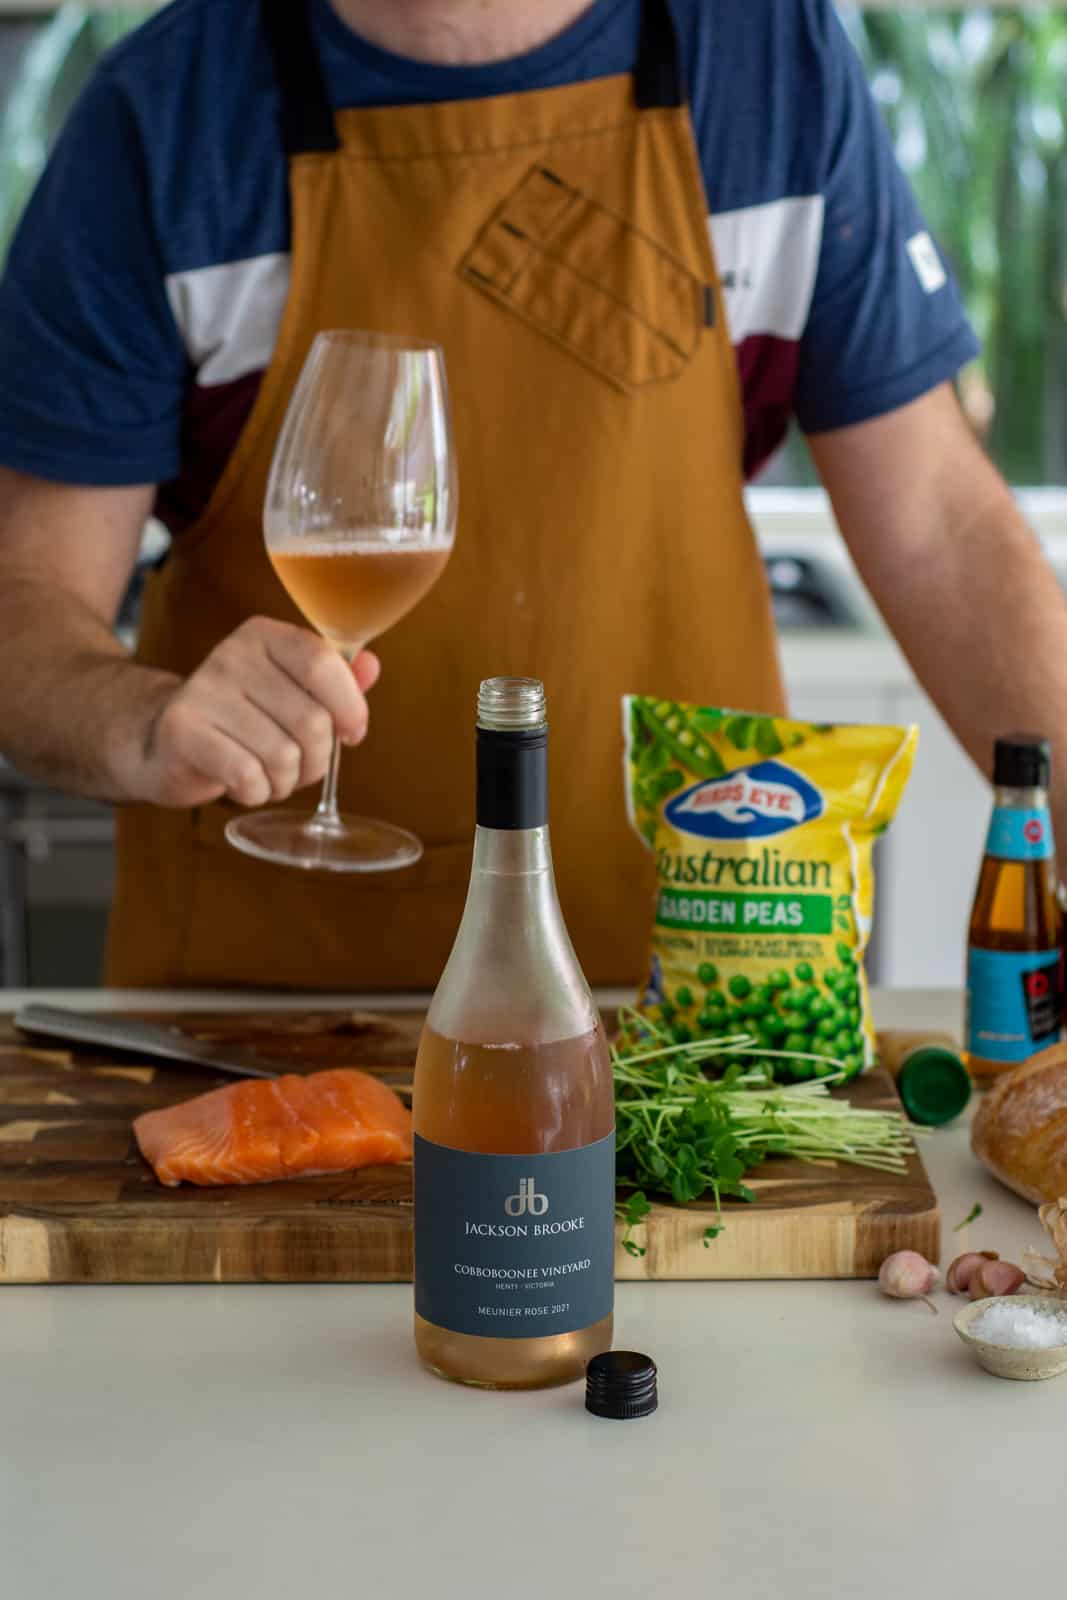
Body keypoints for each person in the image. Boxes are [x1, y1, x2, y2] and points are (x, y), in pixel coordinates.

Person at [0, 0, 1063, 991]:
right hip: (272, 1013)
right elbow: (25, 603)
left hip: (683, 1007)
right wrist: (144, 721)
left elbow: (939, 528)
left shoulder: (770, 57)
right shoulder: (161, 114)